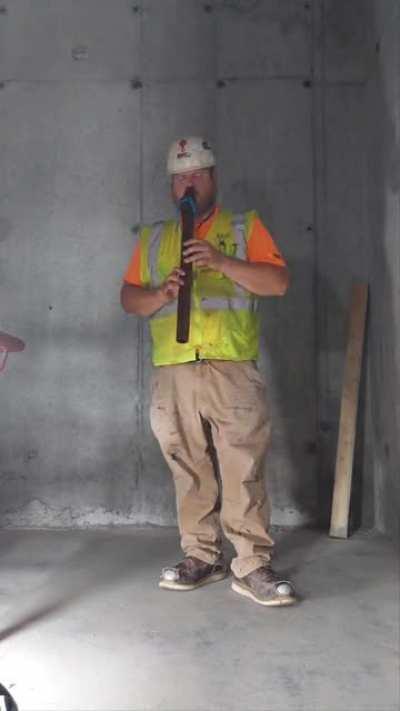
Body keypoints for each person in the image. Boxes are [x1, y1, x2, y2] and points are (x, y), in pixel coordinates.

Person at [121, 137, 297, 607]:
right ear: (170, 186)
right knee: (188, 467)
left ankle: (252, 565)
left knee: (243, 466)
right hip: (173, 372)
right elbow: (129, 299)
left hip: (231, 368)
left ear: (214, 178)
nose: (188, 183)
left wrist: (219, 261)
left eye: (197, 174)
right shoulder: (156, 237)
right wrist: (160, 294)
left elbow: (277, 282)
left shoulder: (244, 227)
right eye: (180, 177)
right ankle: (201, 557)